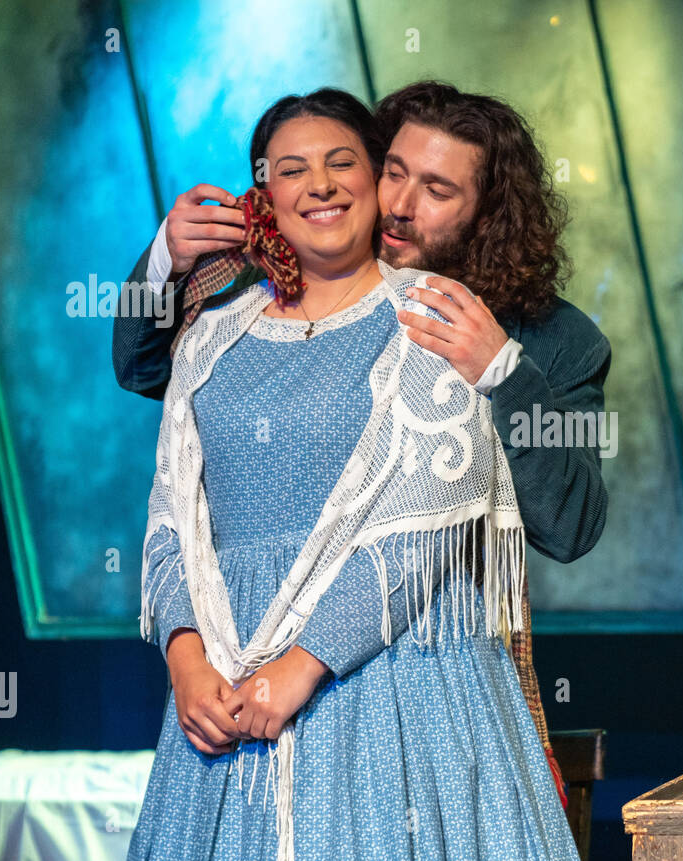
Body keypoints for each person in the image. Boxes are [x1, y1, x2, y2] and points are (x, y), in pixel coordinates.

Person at [125, 88, 581, 861]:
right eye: (294, 169)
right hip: (226, 693)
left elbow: (430, 524)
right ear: (261, 197)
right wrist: (186, 658)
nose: (325, 184)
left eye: (345, 164)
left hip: (394, 682)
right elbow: (174, 516)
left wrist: (302, 668)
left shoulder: (445, 318)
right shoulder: (212, 332)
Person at [113, 81, 610, 566]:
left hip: (431, 627)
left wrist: (505, 375)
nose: (399, 208)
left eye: (437, 191)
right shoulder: (284, 281)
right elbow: (142, 368)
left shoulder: (555, 337)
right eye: (393, 173)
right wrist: (167, 261)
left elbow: (571, 530)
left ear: (489, 216)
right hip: (261, 613)